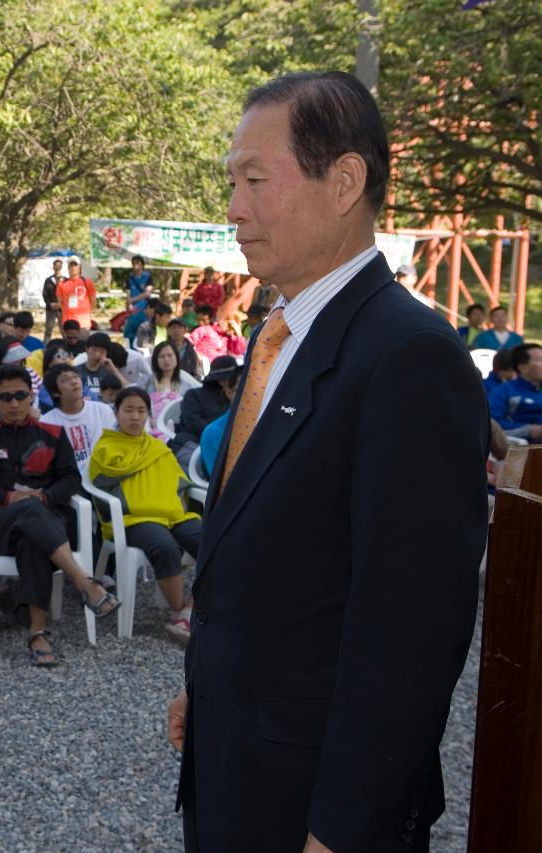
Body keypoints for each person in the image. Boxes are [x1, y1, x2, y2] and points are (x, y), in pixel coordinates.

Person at [168, 71, 487, 853]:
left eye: (254, 180)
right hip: (238, 760)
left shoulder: (409, 356)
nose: (234, 208)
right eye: (230, 182)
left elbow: (410, 630)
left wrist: (343, 828)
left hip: (311, 802)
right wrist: (207, 686)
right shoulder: (283, 331)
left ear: (344, 180)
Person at [0, 365, 118, 667]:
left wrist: (44, 496)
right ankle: (84, 583)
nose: (14, 403)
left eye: (20, 395)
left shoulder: (53, 435)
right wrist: (8, 497)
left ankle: (38, 633)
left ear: (32, 395)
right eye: (6, 397)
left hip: (50, 521)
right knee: (28, 508)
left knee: (33, 537)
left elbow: (70, 478)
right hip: (2, 524)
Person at [89, 386, 200, 641]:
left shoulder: (157, 448)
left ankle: (190, 610)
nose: (135, 417)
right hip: (134, 519)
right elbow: (99, 486)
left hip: (172, 516)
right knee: (165, 547)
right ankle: (178, 613)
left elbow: (178, 482)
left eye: (141, 411)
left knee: (215, 543)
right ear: (116, 413)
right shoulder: (106, 448)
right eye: (128, 410)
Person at [167, 356, 240, 471]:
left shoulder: (237, 396)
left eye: (232, 379)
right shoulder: (194, 395)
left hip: (227, 444)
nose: (227, 381)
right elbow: (193, 422)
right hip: (193, 443)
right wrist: (217, 435)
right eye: (224, 378)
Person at [40, 364, 116, 474]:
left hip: (103, 477)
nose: (74, 382)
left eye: (75, 376)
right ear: (55, 392)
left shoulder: (102, 410)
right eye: (64, 380)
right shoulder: (47, 423)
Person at [488, 343, 542, 443]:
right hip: (522, 447)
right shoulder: (505, 391)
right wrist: (528, 430)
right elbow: (492, 423)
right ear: (523, 368)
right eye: (539, 360)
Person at [148, 340, 201, 439]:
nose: (166, 360)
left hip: (178, 428)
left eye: (170, 355)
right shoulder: (147, 381)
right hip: (151, 427)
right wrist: (149, 421)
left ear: (176, 357)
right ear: (156, 360)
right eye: (162, 357)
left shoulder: (186, 380)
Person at [57, 258, 97, 331]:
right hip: (68, 321)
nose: (73, 268)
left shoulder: (87, 282)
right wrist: (68, 311)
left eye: (75, 265)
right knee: (68, 341)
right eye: (71, 265)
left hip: (83, 322)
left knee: (84, 342)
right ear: (68, 268)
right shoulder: (61, 284)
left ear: (79, 267)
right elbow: (59, 303)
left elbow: (93, 302)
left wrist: (86, 312)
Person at [76, 332, 117, 399]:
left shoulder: (109, 372)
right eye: (94, 350)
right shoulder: (76, 371)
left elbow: (127, 389)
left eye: (102, 352)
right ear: (87, 349)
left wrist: (114, 371)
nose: (97, 355)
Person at [42, 258, 65, 340]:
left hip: (62, 309)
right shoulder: (48, 280)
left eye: (59, 265)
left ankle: (67, 345)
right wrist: (50, 304)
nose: (58, 267)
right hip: (50, 309)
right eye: (56, 265)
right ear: (53, 267)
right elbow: (45, 294)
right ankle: (46, 345)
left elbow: (67, 294)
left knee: (64, 329)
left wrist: (61, 304)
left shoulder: (65, 280)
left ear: (61, 266)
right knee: (48, 329)